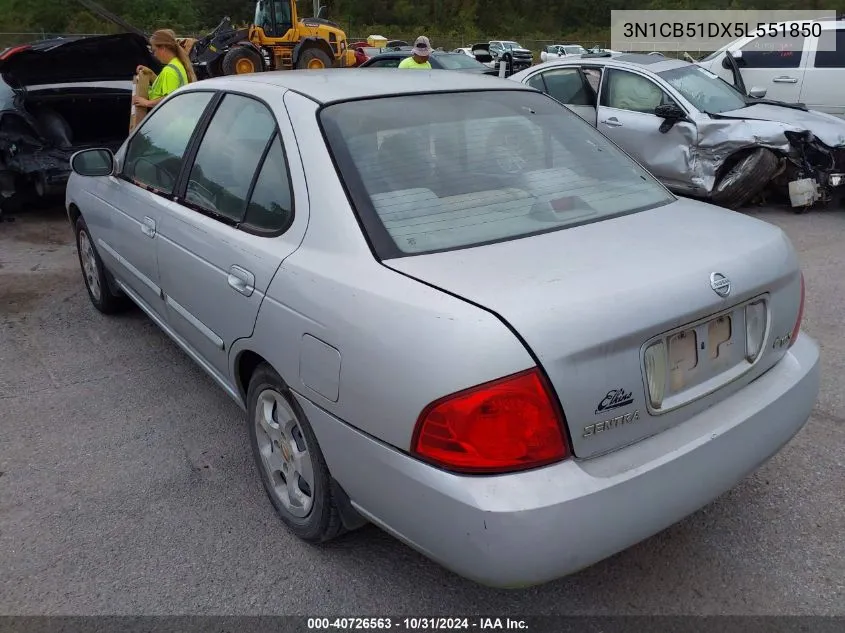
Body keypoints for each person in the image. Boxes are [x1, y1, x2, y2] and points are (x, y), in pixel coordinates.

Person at [132, 29, 198, 109]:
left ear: (163, 48)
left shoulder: (169, 71)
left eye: (154, 51)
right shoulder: (177, 63)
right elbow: (166, 88)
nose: (154, 55)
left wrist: (147, 103)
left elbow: (169, 99)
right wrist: (151, 74)